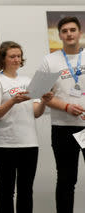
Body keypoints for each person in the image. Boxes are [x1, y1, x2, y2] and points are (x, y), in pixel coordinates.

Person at [0, 41, 53, 213]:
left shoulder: (28, 80)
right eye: (12, 56)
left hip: (29, 144)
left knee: (26, 191)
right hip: (4, 144)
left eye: (18, 56)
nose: (16, 59)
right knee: (7, 190)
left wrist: (45, 101)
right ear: (3, 58)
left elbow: (36, 112)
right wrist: (12, 101)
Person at [39, 16, 85, 213]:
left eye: (72, 30)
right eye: (65, 31)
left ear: (79, 32)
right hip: (62, 128)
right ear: (59, 35)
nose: (69, 34)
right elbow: (40, 93)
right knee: (66, 180)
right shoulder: (50, 61)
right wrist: (66, 106)